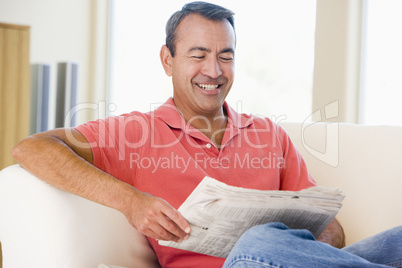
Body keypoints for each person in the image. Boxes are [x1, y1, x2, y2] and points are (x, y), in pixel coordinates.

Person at [12, 1, 401, 267]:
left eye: (225, 56)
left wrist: (309, 249)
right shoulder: (133, 132)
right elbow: (32, 148)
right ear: (168, 60)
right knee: (256, 243)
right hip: (244, 260)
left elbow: (332, 227)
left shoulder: (268, 133)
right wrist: (131, 202)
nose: (213, 70)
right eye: (198, 55)